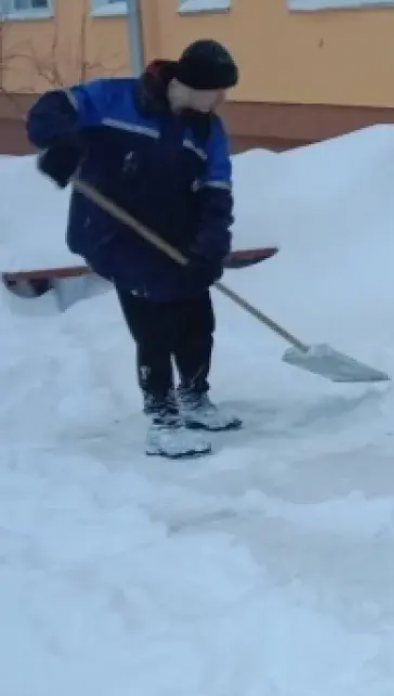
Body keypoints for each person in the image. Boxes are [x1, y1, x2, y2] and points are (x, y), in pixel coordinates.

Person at [26, 39, 243, 459]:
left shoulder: (207, 128)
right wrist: (61, 143)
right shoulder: (116, 98)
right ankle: (162, 419)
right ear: (191, 83)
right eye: (217, 90)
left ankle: (194, 397)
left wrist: (211, 248)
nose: (222, 99)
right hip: (113, 230)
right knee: (155, 317)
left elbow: (218, 190)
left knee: (197, 316)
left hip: (174, 235)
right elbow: (52, 108)